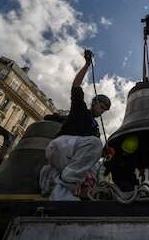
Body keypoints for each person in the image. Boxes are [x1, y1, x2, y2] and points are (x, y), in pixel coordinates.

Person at [39, 49, 111, 201]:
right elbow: (76, 86)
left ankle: (62, 193)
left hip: (71, 158)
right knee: (95, 143)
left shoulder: (95, 129)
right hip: (61, 146)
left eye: (105, 110)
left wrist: (107, 152)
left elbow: (92, 152)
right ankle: (68, 180)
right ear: (94, 103)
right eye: (102, 106)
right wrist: (87, 65)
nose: (102, 111)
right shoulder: (80, 109)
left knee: (98, 169)